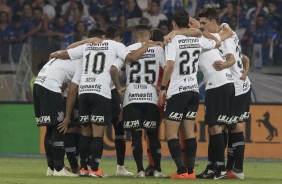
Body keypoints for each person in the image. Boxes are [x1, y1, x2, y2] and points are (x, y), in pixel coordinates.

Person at [52, 25, 162, 177]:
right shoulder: (117, 46)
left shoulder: (89, 45)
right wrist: (148, 44)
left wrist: (83, 42)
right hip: (101, 91)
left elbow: (61, 53)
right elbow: (132, 58)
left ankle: (83, 168)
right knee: (98, 134)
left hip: (84, 92)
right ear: (117, 38)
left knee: (85, 132)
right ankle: (95, 170)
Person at [158, 9, 221, 179]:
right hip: (193, 91)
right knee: (189, 133)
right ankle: (191, 172)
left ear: (173, 23)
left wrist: (162, 88)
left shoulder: (173, 39)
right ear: (188, 22)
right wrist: (198, 29)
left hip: (178, 91)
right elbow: (217, 42)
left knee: (170, 133)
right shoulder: (197, 38)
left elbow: (170, 65)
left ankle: (181, 171)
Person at [110, 25, 167, 178]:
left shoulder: (128, 49)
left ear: (135, 37)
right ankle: (157, 170)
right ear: (149, 35)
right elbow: (168, 68)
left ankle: (140, 170)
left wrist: (119, 87)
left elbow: (113, 69)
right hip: (150, 96)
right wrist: (162, 87)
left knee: (136, 136)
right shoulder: (158, 50)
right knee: (153, 135)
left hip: (132, 97)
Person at [195, 7, 236, 179]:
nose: (201, 27)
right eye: (200, 24)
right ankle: (213, 167)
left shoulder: (205, 40)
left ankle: (218, 170)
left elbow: (228, 33)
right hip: (225, 84)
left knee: (215, 127)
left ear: (213, 22)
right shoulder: (212, 41)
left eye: (204, 23)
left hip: (218, 85)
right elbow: (229, 33)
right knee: (217, 127)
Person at [33, 56, 80, 177]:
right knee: (59, 126)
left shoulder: (67, 58)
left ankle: (51, 168)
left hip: (38, 84)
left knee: (50, 127)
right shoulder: (81, 65)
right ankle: (59, 169)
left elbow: (64, 83)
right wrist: (67, 117)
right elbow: (72, 92)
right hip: (50, 87)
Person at [221, 26, 252, 180]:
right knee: (230, 126)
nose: (202, 27)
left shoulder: (223, 41)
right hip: (243, 86)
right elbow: (245, 58)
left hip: (238, 89)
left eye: (204, 24)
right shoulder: (229, 36)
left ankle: (238, 169)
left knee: (235, 125)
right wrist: (246, 70)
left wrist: (223, 65)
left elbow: (232, 60)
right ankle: (230, 168)